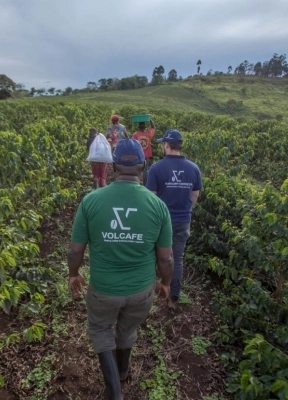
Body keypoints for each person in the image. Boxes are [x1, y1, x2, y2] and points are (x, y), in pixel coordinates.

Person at [68, 139, 174, 399]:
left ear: (113, 166)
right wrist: (165, 282)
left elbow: (75, 250)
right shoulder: (158, 206)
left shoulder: (91, 201)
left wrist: (73, 273)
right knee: (127, 330)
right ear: (144, 166)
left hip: (103, 289)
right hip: (140, 291)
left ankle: (114, 392)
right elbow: (166, 259)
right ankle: (123, 372)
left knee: (101, 330)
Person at [146, 129, 202, 310]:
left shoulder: (156, 168)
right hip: (183, 221)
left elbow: (151, 198)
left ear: (167, 145)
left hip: (161, 222)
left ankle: (154, 292)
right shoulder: (193, 168)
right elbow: (195, 196)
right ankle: (173, 298)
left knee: (155, 256)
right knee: (176, 259)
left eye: (163, 144)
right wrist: (185, 211)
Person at [131, 119, 155, 185]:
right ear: (145, 127)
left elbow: (133, 145)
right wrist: (150, 120)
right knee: (145, 171)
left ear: (138, 127)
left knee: (137, 170)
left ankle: (136, 183)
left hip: (138, 155)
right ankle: (145, 185)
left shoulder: (135, 135)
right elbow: (153, 128)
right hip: (146, 156)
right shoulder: (149, 134)